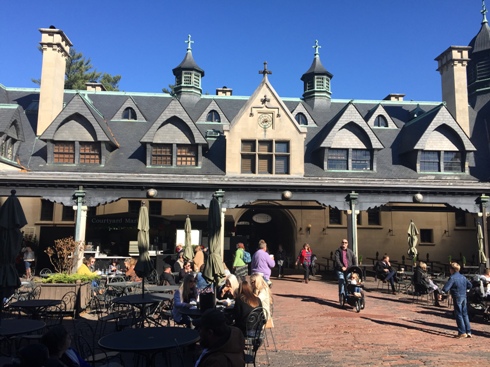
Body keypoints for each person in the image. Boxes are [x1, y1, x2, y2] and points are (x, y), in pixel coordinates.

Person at [442, 262, 472, 338]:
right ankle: (468, 331)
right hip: (464, 295)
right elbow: (470, 285)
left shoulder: (452, 278)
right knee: (465, 314)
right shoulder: (463, 277)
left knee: (458, 314)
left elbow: (446, 288)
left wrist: (442, 292)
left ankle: (462, 332)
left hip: (457, 296)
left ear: (452, 269)